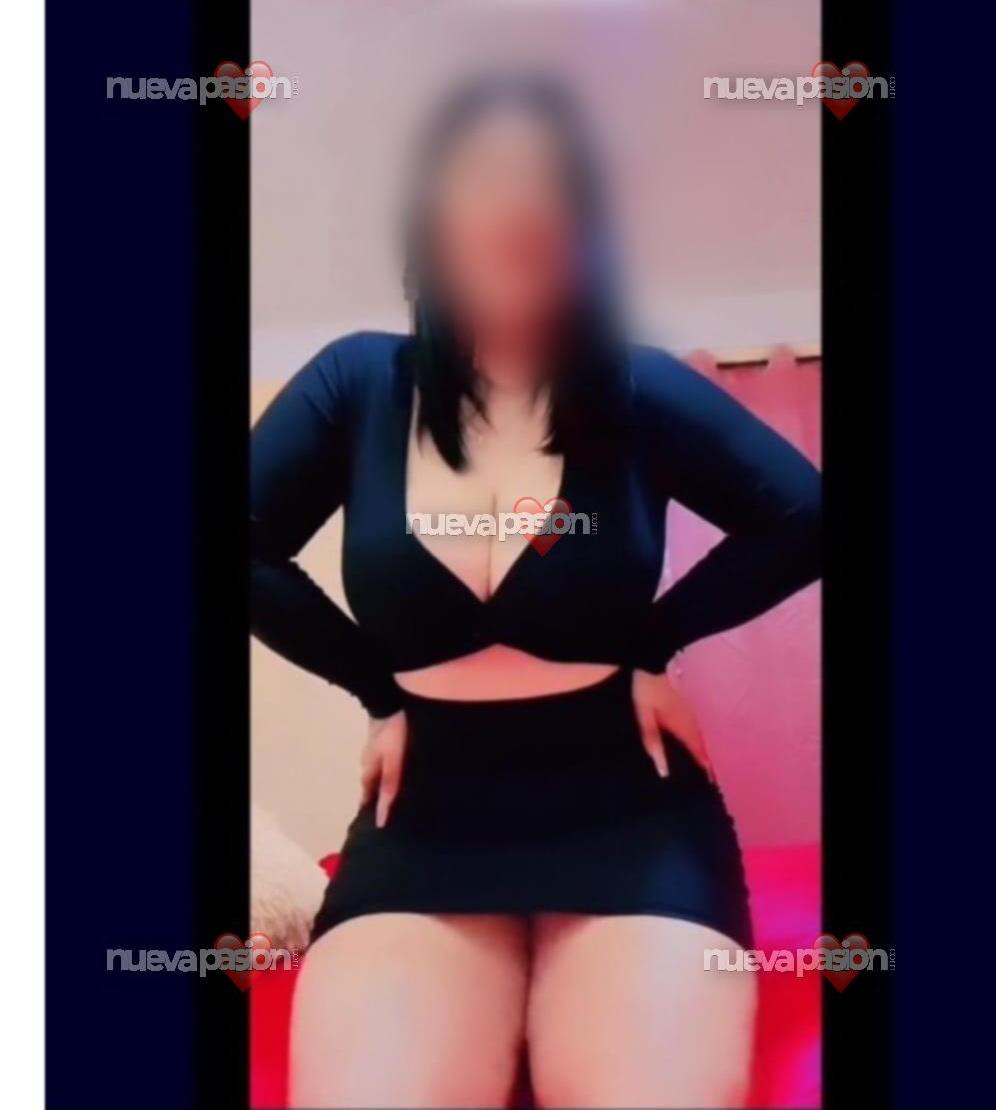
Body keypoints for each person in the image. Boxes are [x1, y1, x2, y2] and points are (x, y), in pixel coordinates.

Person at [251, 74, 822, 1108]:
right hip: (426, 823)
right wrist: (373, 688)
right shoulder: (357, 384)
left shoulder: (636, 387)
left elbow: (806, 517)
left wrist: (655, 642)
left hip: (630, 814)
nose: (518, 205)